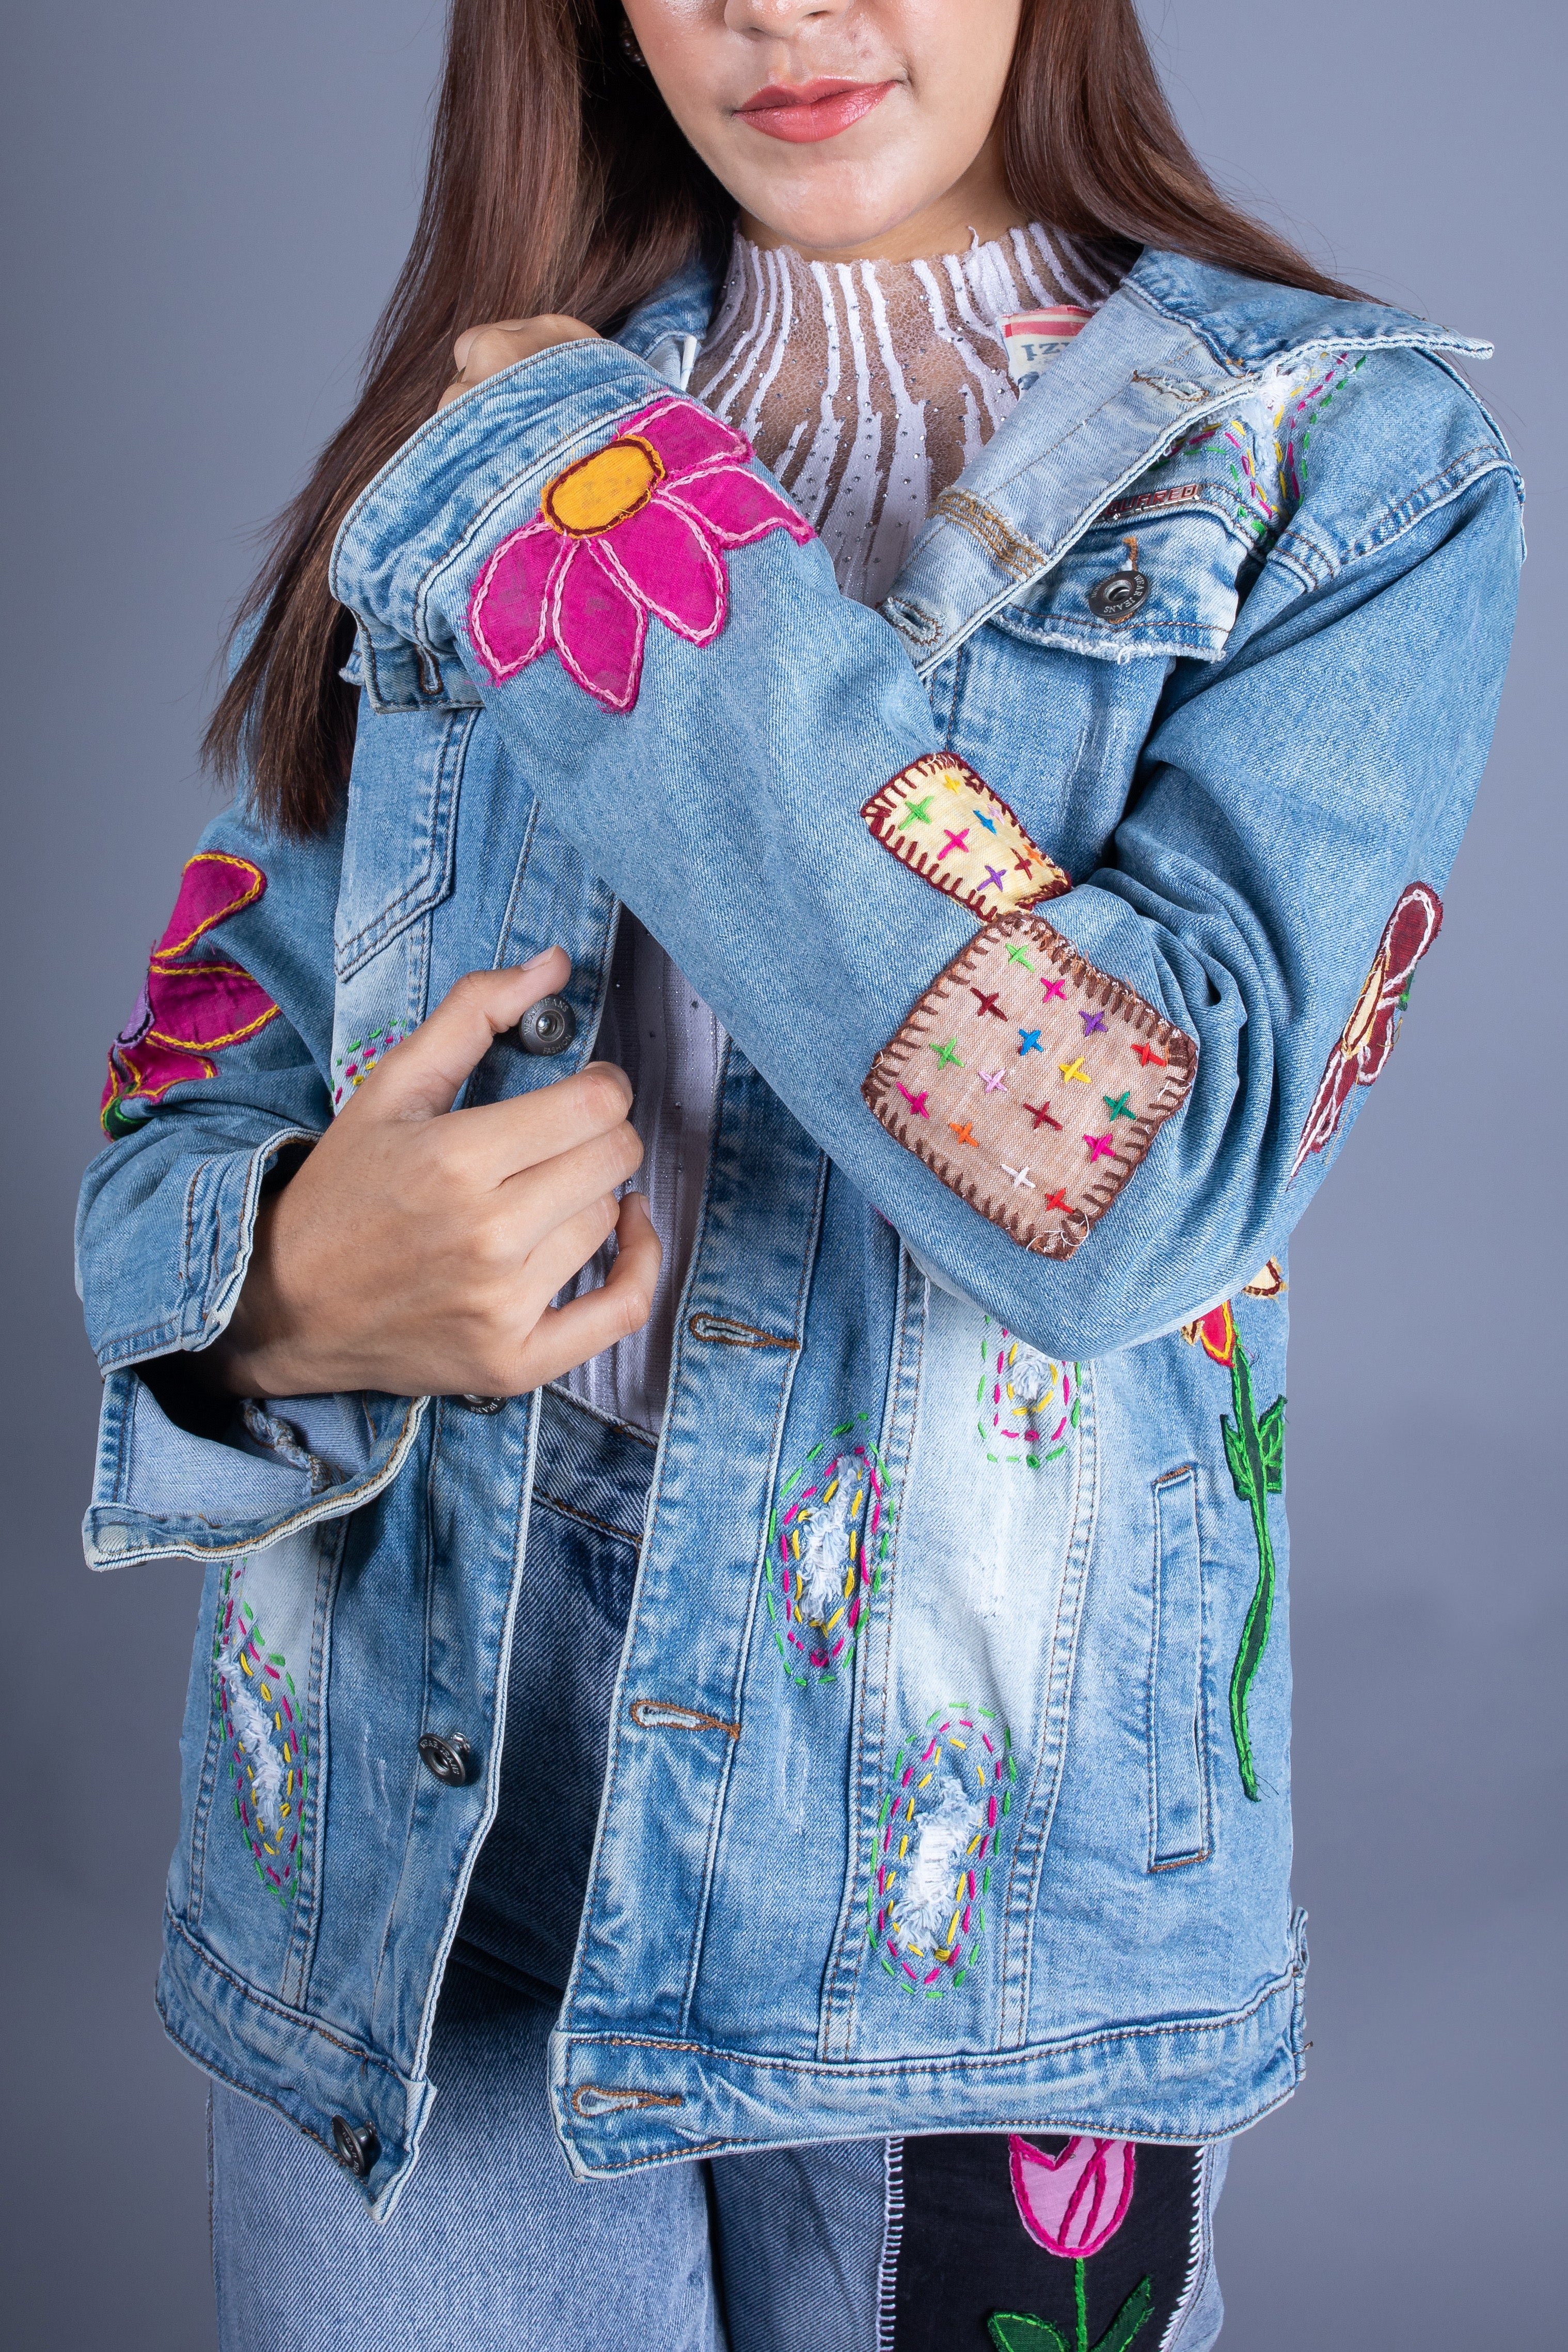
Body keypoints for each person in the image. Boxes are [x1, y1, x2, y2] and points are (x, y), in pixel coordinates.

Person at [75, 3, 1521, 2346]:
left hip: (975, 1881)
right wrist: (281, 1299)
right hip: (416, 1819)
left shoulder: (1335, 463)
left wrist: (607, 516)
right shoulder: (455, 445)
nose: (783, 6)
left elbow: (1126, 1182)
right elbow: (189, 1108)